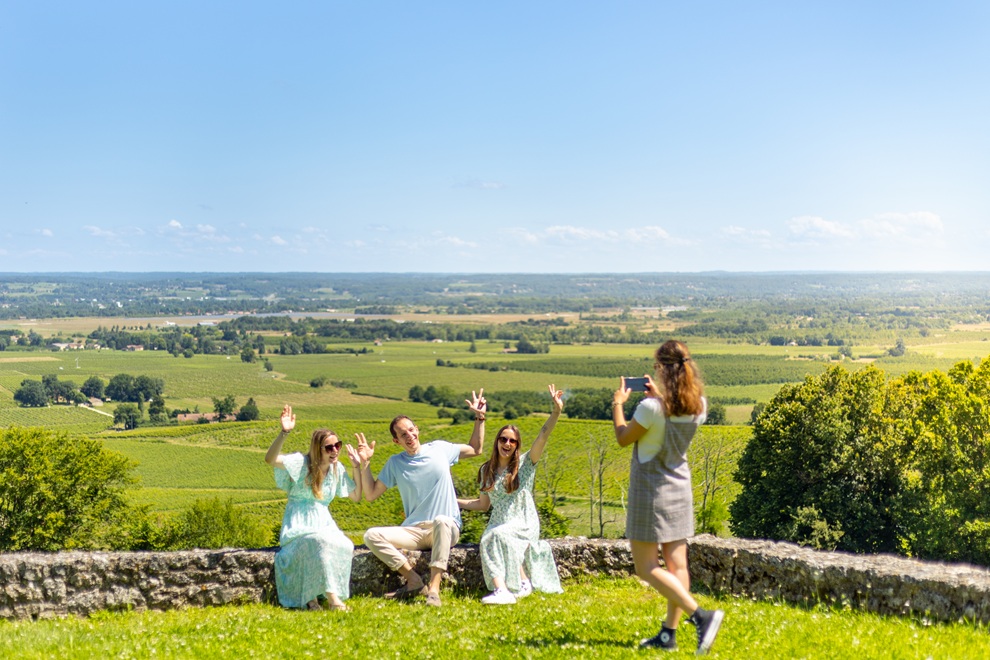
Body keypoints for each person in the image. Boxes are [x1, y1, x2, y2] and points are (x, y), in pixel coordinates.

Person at [611, 340, 724, 654]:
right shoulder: (698, 405)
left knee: (646, 567)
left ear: (661, 368)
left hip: (651, 490)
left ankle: (701, 617)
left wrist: (618, 403)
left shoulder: (650, 408)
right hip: (679, 487)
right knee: (677, 565)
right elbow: (670, 416)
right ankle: (668, 635)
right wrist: (659, 398)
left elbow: (623, 438)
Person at [356, 390, 487, 607]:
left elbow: (476, 449)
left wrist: (479, 417)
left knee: (442, 520)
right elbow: (370, 494)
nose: (409, 436)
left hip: (445, 528)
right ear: (396, 440)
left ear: (417, 430)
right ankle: (413, 580)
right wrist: (365, 463)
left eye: (410, 430)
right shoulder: (395, 463)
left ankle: (434, 590)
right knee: (371, 535)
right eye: (402, 434)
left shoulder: (440, 449)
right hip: (414, 531)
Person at [458, 384, 565, 605]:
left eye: (512, 441)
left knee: (497, 536)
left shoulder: (525, 464)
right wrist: (455, 501)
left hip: (523, 521)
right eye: (503, 439)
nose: (507, 443)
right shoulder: (485, 470)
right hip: (498, 522)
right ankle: (506, 588)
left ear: (517, 446)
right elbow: (482, 504)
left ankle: (515, 586)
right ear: (497, 441)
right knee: (491, 537)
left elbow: (543, 436)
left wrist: (556, 411)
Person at [265, 404, 362, 611]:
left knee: (345, 544)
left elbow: (356, 496)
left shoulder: (337, 469)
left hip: (324, 523)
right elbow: (270, 459)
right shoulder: (301, 463)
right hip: (298, 523)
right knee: (316, 542)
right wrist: (284, 432)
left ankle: (314, 597)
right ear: (318, 449)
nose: (335, 450)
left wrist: (357, 467)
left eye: (338, 445)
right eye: (329, 447)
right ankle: (331, 600)